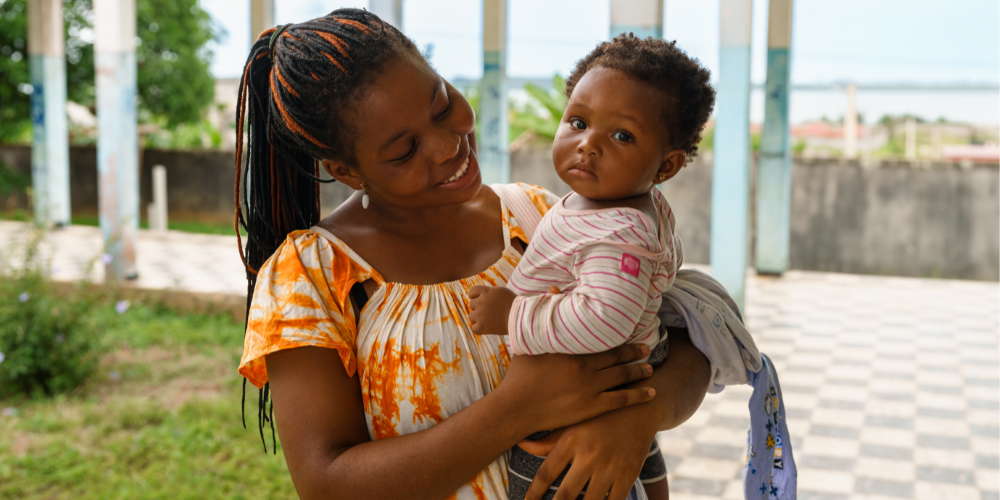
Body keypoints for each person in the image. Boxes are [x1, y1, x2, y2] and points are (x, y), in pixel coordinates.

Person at [235, 9, 718, 500]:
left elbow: (691, 345)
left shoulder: (538, 219)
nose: (448, 146)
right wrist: (518, 409)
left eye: (442, 105)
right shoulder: (312, 276)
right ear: (345, 170)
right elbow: (326, 484)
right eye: (404, 150)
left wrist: (640, 421)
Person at [467, 35, 715, 500]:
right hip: (618, 382)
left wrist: (512, 315)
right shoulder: (636, 205)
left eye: (622, 136)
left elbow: (602, 321)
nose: (588, 145)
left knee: (545, 481)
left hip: (576, 407)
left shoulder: (616, 229)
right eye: (578, 122)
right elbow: (667, 258)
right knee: (642, 461)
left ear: (667, 165)